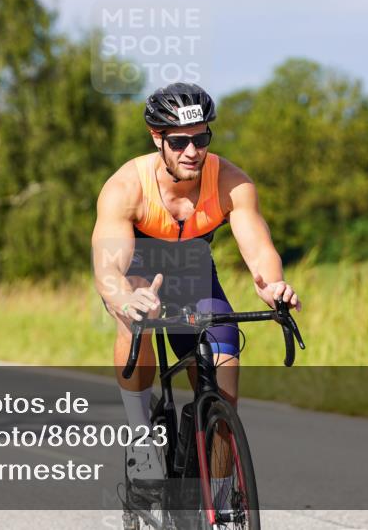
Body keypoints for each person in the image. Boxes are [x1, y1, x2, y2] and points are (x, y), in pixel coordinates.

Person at [92, 83, 302, 496]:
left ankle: (222, 501)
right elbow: (108, 268)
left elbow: (260, 252)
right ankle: (142, 438)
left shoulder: (231, 183)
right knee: (135, 317)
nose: (192, 151)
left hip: (193, 275)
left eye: (201, 138)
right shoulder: (126, 188)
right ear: (158, 139)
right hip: (138, 272)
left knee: (224, 381)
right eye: (180, 141)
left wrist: (273, 285)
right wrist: (124, 298)